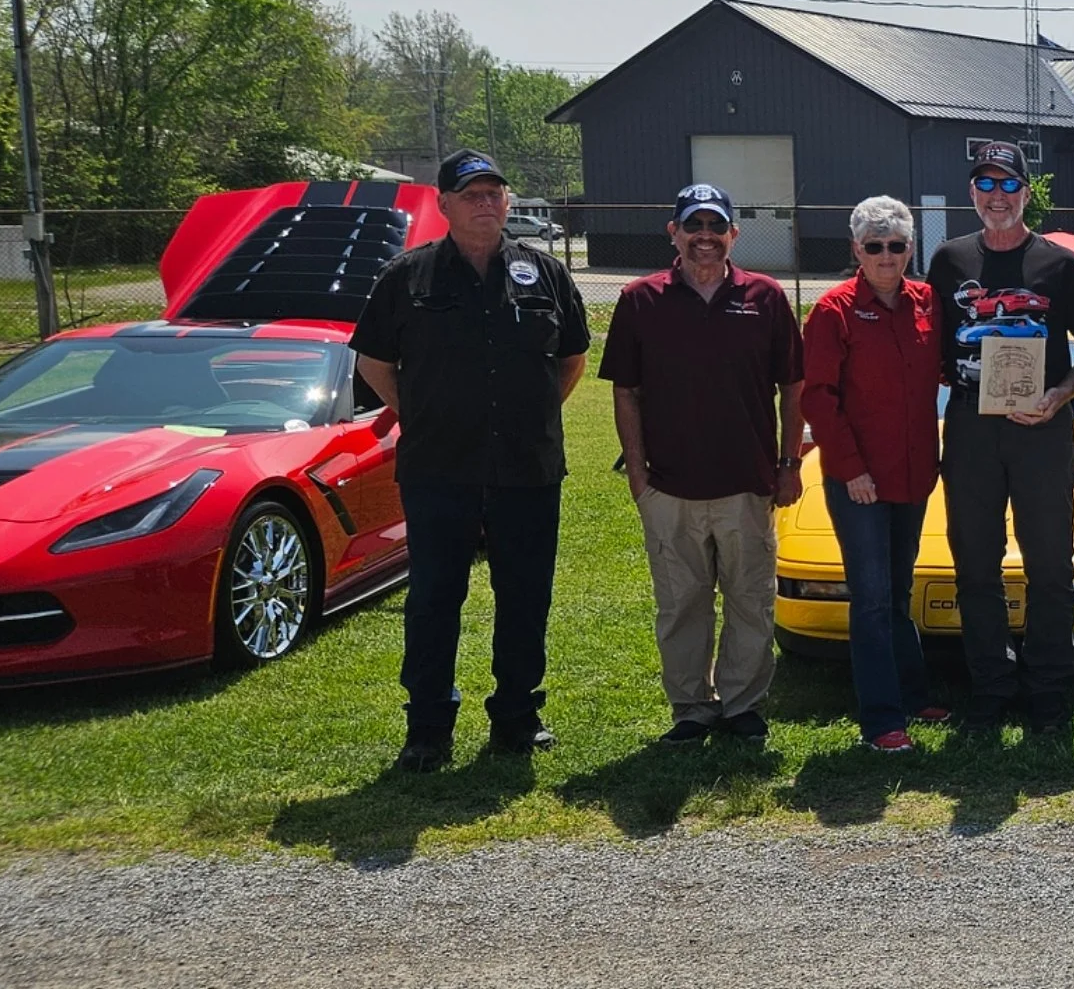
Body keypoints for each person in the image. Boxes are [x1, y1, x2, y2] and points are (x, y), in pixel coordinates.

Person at [352, 149, 590, 772]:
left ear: (507, 202)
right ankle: (428, 726)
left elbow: (570, 361)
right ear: (445, 203)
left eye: (495, 192)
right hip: (440, 470)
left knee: (525, 595)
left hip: (526, 469)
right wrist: (424, 415)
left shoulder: (544, 274)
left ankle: (517, 715)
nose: (486, 202)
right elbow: (373, 362)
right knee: (434, 597)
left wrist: (526, 416)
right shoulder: (408, 277)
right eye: (472, 193)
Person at [601, 183, 805, 746]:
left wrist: (789, 464)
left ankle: (741, 705)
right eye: (694, 227)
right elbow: (626, 392)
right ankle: (691, 707)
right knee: (681, 605)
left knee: (749, 601)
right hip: (669, 486)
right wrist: (639, 475)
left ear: (734, 234)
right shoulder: (641, 299)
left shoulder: (765, 298)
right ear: (674, 233)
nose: (706, 238)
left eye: (717, 227)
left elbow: (792, 387)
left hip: (747, 482)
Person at [928, 141, 1074, 732]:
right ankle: (990, 685)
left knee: (1050, 562)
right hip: (972, 430)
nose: (997, 196)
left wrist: (1059, 396)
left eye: (1009, 185)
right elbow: (933, 349)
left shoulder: (1058, 264)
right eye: (986, 184)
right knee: (974, 561)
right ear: (972, 194)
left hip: (1042, 430)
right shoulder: (949, 260)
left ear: (1027, 193)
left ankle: (1050, 686)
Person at [803, 196, 952, 752]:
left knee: (896, 592)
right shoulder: (834, 311)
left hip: (913, 475)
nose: (886, 256)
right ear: (856, 250)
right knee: (868, 598)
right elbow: (818, 398)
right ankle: (882, 720)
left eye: (896, 245)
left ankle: (913, 695)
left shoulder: (928, 304)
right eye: (874, 246)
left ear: (911, 249)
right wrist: (850, 470)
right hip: (859, 481)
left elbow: (949, 369)